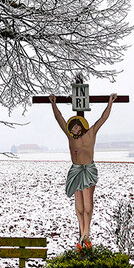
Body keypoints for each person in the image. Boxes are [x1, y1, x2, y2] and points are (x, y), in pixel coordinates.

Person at [48, 93, 118, 250]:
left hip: (87, 169)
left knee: (87, 205)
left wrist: (110, 103)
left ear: (82, 125)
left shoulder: (91, 133)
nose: (74, 128)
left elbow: (102, 119)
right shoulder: (71, 137)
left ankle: (86, 234)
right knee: (78, 206)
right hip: (75, 170)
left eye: (77, 126)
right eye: (72, 127)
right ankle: (82, 235)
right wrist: (54, 104)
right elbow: (60, 120)